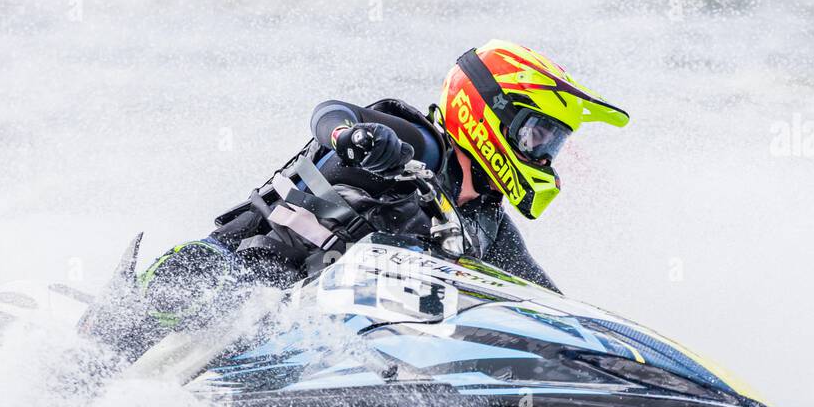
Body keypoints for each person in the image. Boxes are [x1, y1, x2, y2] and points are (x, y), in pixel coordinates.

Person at [80, 40, 629, 359]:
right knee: (216, 275)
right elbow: (331, 111)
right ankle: (105, 339)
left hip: (319, 338)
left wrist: (608, 351)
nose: (543, 153)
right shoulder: (417, 143)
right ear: (492, 114)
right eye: (537, 135)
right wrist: (354, 138)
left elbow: (547, 305)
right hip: (256, 272)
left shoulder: (485, 221)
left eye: (552, 142)